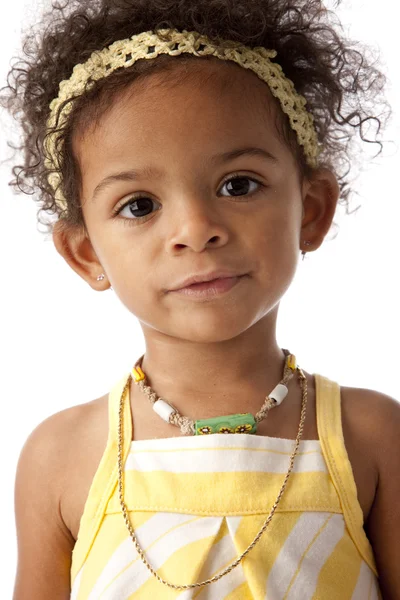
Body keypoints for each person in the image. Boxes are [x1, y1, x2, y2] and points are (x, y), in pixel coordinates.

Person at [2, 0, 399, 597]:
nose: (195, 228)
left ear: (311, 210)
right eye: (139, 205)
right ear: (86, 253)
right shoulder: (60, 458)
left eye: (238, 185)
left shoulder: (368, 438)